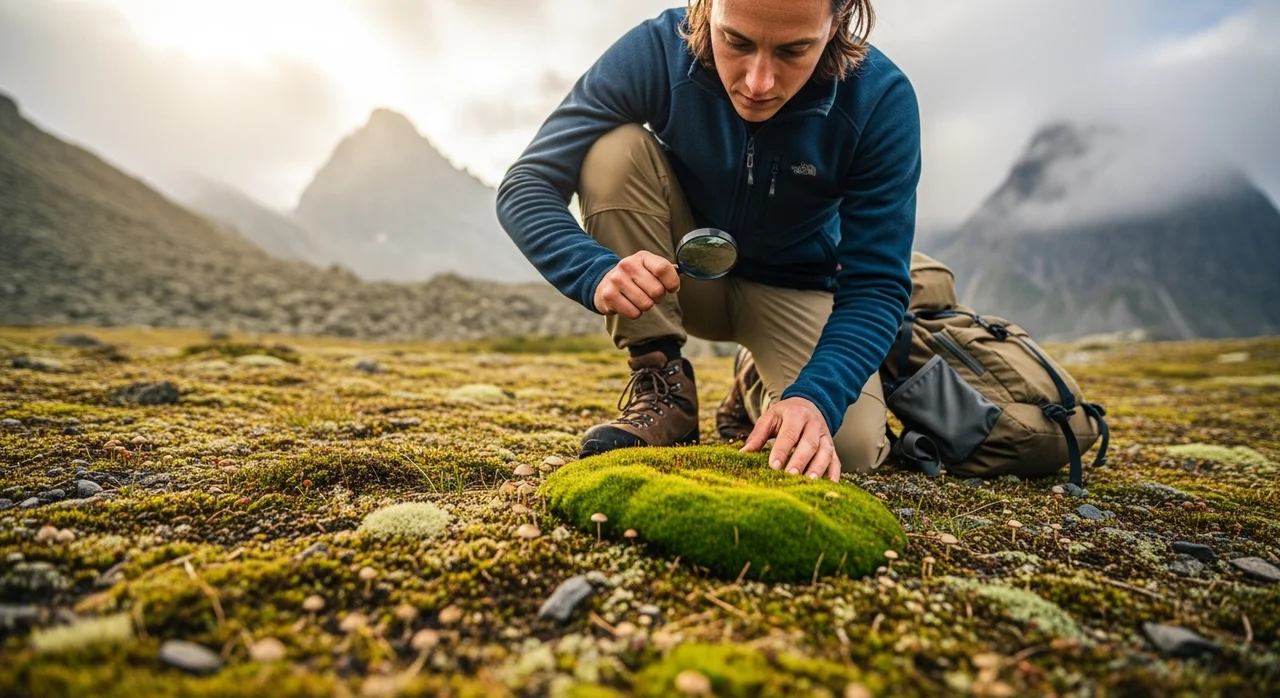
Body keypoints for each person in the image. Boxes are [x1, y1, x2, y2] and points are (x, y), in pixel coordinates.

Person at [496, 0, 920, 482]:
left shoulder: (881, 98)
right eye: (736, 42)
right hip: (677, 276)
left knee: (851, 447)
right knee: (610, 151)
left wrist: (815, 397)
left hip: (796, 290)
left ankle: (755, 380)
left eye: (794, 50)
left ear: (836, 25)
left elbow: (877, 284)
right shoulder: (658, 50)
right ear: (705, 9)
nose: (758, 83)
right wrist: (591, 269)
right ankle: (662, 385)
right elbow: (526, 183)